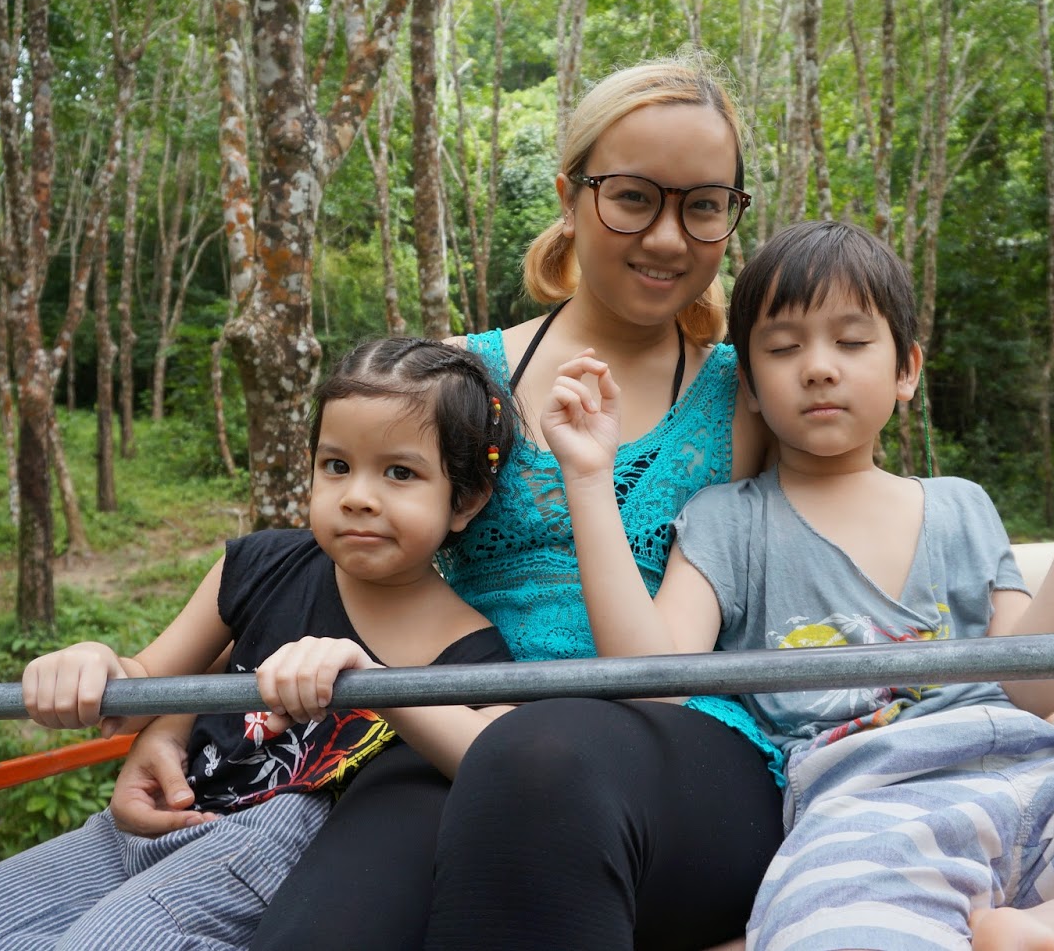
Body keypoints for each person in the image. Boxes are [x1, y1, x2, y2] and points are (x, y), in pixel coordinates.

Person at [545, 218, 1054, 950]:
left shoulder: (959, 506)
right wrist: (589, 477)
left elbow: (1036, 685)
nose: (819, 368)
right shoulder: (728, 520)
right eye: (785, 347)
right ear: (751, 387)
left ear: (906, 368)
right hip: (874, 814)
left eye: (852, 341)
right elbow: (654, 677)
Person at [251, 54, 786, 951]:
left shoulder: (750, 392)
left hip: (689, 750)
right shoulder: (460, 377)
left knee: (542, 758)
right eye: (633, 197)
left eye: (702, 206)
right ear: (569, 196)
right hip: (458, 727)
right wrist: (176, 715)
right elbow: (346, 541)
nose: (667, 237)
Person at [0, 337, 517, 951]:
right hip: (144, 822)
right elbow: (145, 677)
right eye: (336, 465)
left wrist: (372, 680)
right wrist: (92, 662)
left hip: (271, 836)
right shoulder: (260, 565)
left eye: (400, 472)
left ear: (464, 500)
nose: (357, 498)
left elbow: (495, 763)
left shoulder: (467, 645)